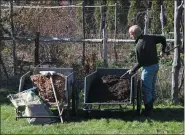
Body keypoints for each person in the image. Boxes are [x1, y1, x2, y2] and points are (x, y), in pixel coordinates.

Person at [128, 25, 167, 117]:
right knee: (152, 87)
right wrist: (163, 50)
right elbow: (163, 38)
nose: (130, 36)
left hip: (148, 69)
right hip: (155, 66)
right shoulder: (150, 37)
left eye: (130, 34)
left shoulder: (139, 46)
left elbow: (140, 62)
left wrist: (132, 70)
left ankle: (149, 111)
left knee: (146, 90)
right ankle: (151, 107)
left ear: (133, 34)